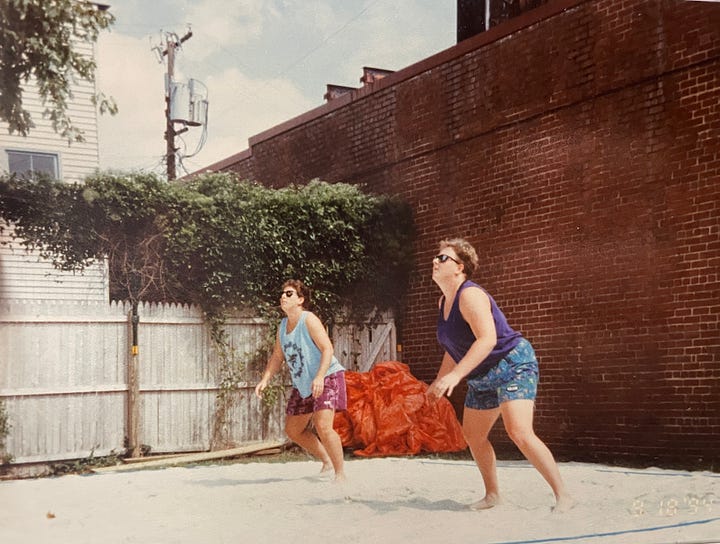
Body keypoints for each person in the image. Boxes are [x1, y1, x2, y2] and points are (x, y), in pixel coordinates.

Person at [427, 238, 574, 512]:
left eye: (443, 258)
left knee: (519, 431)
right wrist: (439, 380)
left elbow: (487, 340)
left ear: (460, 267)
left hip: (512, 364)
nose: (435, 261)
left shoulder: (470, 295)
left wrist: (456, 376)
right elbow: (452, 348)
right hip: (482, 375)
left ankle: (563, 495)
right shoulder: (443, 303)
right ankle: (492, 495)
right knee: (473, 435)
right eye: (436, 257)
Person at [255, 279, 347, 482]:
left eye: (289, 294)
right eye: (282, 293)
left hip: (327, 375)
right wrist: (265, 380)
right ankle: (326, 460)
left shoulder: (309, 319)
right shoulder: (282, 326)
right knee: (293, 430)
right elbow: (277, 356)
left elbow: (327, 349)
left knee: (323, 426)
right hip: (304, 383)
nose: (283, 297)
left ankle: (340, 473)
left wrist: (320, 376)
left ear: (300, 300)